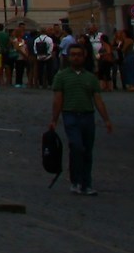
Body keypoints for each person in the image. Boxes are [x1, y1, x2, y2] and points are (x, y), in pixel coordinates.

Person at [49, 40, 114, 195]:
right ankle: (75, 181)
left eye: (78, 55)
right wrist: (54, 119)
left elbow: (98, 99)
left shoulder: (90, 78)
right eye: (73, 55)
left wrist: (106, 119)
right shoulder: (62, 77)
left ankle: (87, 183)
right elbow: (58, 99)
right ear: (68, 57)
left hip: (87, 116)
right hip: (70, 115)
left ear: (84, 57)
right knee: (76, 147)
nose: (76, 58)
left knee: (87, 151)